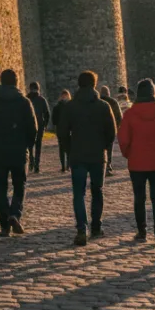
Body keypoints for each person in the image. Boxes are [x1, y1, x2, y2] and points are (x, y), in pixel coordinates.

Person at [56, 71, 117, 246]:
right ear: (94, 84)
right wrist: (104, 147)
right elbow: (111, 132)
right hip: (98, 155)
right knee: (97, 191)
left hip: (78, 155)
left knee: (79, 194)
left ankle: (82, 228)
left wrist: (69, 149)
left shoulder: (70, 107)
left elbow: (62, 132)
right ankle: (96, 226)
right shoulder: (103, 106)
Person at [0, 70, 37, 236]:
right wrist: (27, 145)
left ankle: (4, 225)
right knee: (20, 186)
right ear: (17, 82)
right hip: (19, 151)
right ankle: (15, 213)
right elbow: (33, 128)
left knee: (1, 189)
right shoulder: (24, 102)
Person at [119, 79, 155, 246]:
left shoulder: (130, 114)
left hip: (137, 162)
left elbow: (123, 139)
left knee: (139, 198)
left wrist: (128, 154)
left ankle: (142, 230)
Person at [27, 82, 51, 173]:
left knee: (29, 146)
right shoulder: (42, 100)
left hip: (29, 126)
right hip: (39, 126)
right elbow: (47, 114)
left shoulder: (26, 99)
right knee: (38, 146)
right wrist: (44, 125)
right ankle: (36, 165)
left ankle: (31, 162)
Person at [99, 85, 123, 176]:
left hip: (99, 131)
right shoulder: (113, 102)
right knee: (109, 148)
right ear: (108, 93)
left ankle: (100, 165)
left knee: (100, 149)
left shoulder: (97, 102)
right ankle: (108, 166)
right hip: (111, 129)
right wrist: (116, 126)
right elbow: (119, 117)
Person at [53, 90, 72, 172]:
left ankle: (63, 167)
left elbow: (54, 120)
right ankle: (68, 166)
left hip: (60, 129)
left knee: (61, 148)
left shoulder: (57, 107)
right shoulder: (71, 106)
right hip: (69, 129)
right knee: (68, 149)